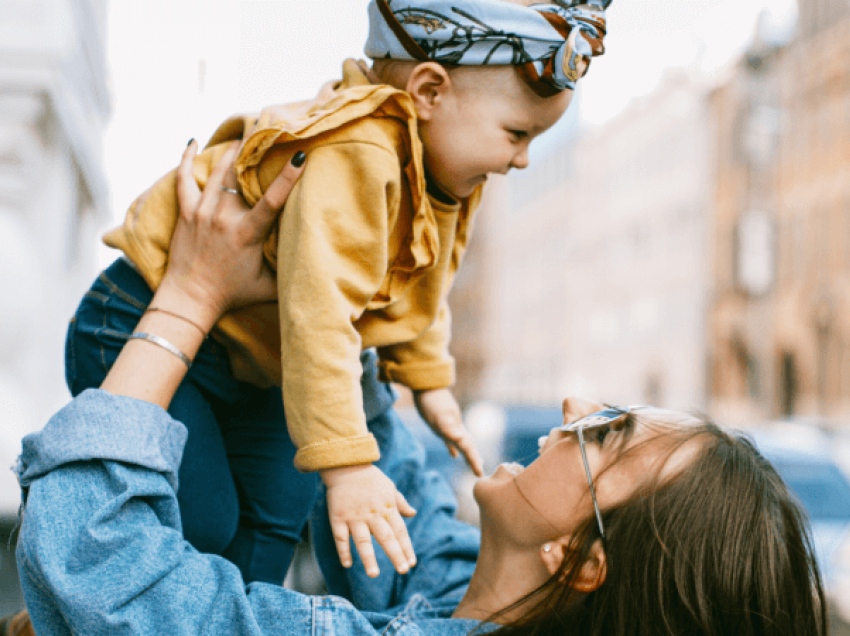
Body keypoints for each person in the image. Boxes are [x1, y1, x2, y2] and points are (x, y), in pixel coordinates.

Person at [15, 144, 827, 635]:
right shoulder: (466, 591)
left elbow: (99, 567)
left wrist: (190, 295)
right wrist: (334, 268)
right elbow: (388, 482)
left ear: (578, 562)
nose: (580, 409)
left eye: (610, 434)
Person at [65, 0, 612, 584]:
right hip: (137, 321)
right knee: (207, 521)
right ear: (429, 92)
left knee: (276, 514)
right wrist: (349, 467)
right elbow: (320, 315)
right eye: (517, 134)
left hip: (259, 362)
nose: (523, 160)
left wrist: (429, 381)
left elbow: (416, 282)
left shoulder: (439, 170)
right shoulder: (359, 152)